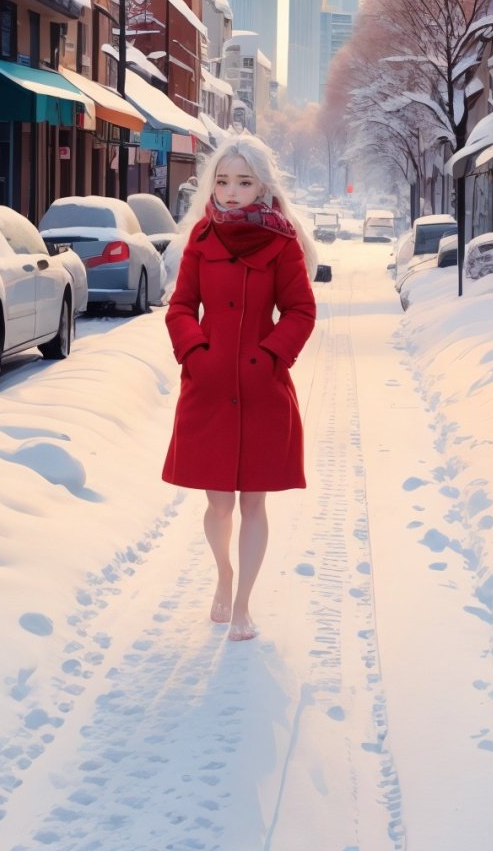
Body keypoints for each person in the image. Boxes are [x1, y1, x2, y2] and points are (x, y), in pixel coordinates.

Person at [163, 134, 317, 641]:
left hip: (263, 391)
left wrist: (272, 355)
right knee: (218, 504)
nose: (231, 192)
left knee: (253, 503)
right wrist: (196, 353)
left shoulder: (282, 242)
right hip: (208, 390)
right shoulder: (201, 240)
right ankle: (223, 576)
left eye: (243, 182)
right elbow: (182, 306)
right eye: (223, 181)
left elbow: (300, 310)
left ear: (262, 187)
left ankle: (244, 603)